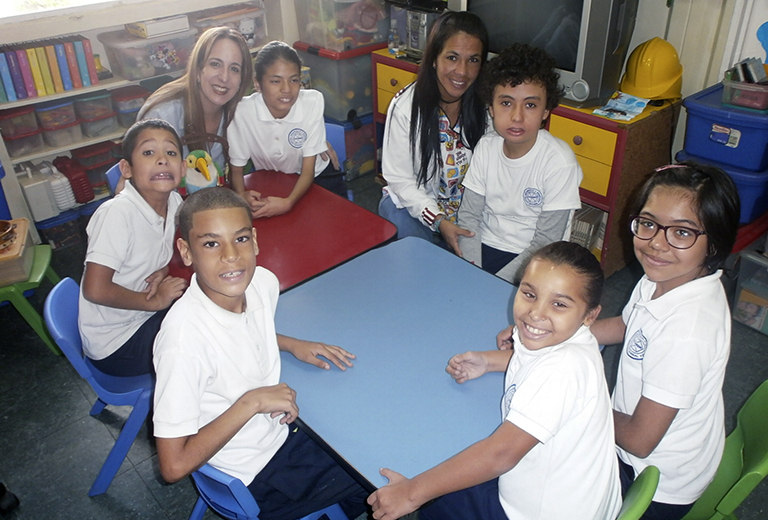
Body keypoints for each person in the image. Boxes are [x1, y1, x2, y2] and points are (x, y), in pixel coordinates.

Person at [152, 187, 368, 520]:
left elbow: (241, 329)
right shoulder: (182, 343)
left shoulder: (261, 283)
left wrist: (291, 343)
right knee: (381, 473)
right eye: (211, 243)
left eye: (239, 239)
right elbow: (172, 465)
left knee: (360, 432)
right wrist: (252, 401)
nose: (230, 256)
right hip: (255, 471)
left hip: (279, 431)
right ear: (186, 250)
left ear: (254, 240)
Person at [368, 241, 622, 520]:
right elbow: (533, 361)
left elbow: (500, 454)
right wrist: (489, 361)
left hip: (540, 512)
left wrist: (410, 493)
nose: (535, 313)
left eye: (558, 304)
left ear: (590, 315)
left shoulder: (563, 369)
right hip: (577, 500)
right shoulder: (572, 338)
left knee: (435, 496)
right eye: (529, 294)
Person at [590, 162, 741, 520]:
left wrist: (575, 401)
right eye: (648, 223)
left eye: (682, 233)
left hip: (654, 480)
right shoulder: (667, 277)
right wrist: (556, 334)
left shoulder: (688, 330)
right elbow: (627, 326)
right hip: (651, 440)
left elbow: (641, 440)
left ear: (714, 241)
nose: (656, 243)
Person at [457, 43, 583, 284]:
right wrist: (472, 268)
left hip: (536, 258)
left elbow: (546, 241)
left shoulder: (559, 162)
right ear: (491, 108)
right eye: (506, 103)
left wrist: (496, 282)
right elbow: (470, 217)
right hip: (483, 246)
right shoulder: (486, 147)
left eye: (530, 105)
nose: (517, 116)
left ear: (546, 110)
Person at [78, 119, 188, 377]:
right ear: (126, 168)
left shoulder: (173, 201)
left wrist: (163, 267)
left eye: (171, 152)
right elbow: (95, 289)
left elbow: (162, 246)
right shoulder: (117, 215)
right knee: (208, 333)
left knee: (209, 308)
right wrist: (155, 303)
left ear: (183, 167)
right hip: (117, 344)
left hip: (140, 317)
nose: (162, 160)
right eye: (149, 153)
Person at [378, 11, 489, 254]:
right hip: (412, 208)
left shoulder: (487, 107)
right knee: (424, 260)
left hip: (466, 213)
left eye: (473, 60)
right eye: (452, 57)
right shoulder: (406, 106)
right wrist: (439, 221)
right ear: (434, 58)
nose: (462, 71)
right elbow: (400, 181)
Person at [228, 40, 347, 218]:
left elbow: (308, 169)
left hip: (318, 177)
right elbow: (236, 168)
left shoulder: (312, 102)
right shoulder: (242, 112)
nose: (286, 90)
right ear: (258, 84)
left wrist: (289, 202)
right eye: (275, 81)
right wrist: (241, 194)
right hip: (274, 179)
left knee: (334, 226)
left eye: (294, 80)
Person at [138, 26, 252, 184]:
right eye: (215, 64)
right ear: (198, 70)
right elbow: (148, 185)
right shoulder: (161, 116)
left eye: (234, 69)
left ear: (242, 79)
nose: (224, 77)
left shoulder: (240, 113)